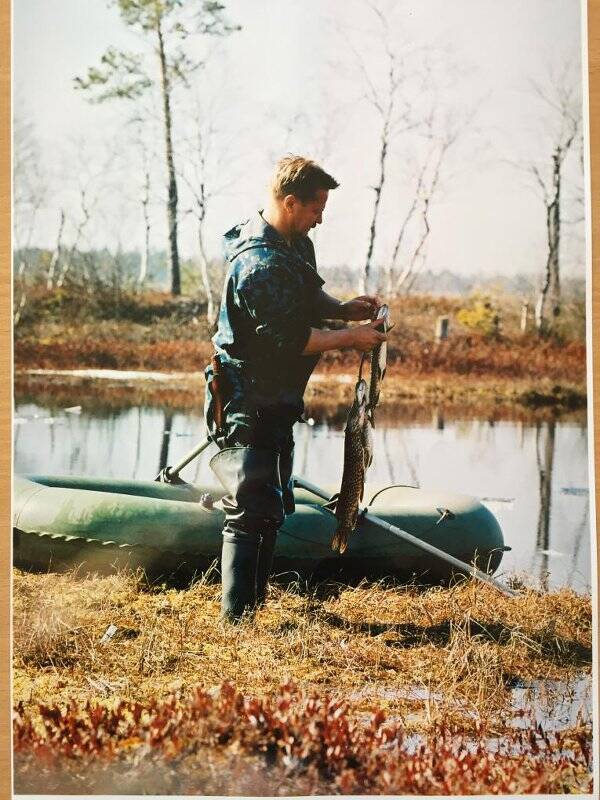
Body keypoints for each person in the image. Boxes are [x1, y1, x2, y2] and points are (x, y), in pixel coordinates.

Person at [205, 155, 387, 622]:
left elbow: (306, 300)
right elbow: (291, 339)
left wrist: (344, 310)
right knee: (249, 507)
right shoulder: (258, 265)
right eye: (316, 207)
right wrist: (351, 338)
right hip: (247, 396)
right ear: (289, 202)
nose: (321, 218)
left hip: (278, 398)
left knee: (272, 506)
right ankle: (237, 622)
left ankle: (253, 610)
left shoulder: (295, 243)